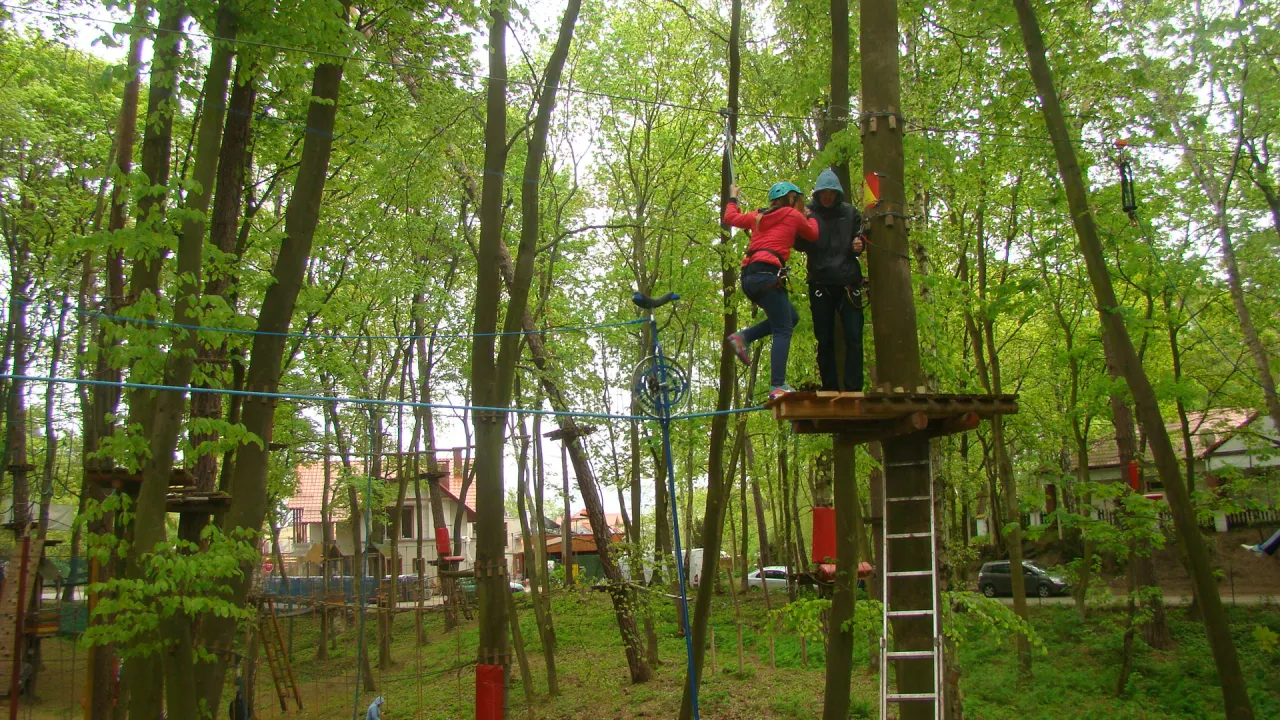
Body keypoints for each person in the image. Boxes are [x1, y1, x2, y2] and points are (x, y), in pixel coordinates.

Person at [724, 181, 819, 400]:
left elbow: (730, 218)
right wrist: (811, 216)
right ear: (791, 199)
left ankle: (744, 337)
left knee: (791, 318)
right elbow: (813, 234)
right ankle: (777, 386)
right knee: (783, 329)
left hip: (749, 278)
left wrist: (733, 197)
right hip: (767, 276)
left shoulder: (758, 216)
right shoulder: (793, 215)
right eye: (798, 200)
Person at [793, 168, 866, 391]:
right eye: (823, 193)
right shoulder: (809, 213)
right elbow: (798, 244)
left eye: (831, 193)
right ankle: (830, 388)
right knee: (824, 339)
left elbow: (860, 238)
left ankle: (854, 389)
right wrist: (801, 220)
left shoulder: (850, 213)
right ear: (818, 194)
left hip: (848, 282)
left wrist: (859, 244)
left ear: (837, 193)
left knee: (854, 336)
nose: (827, 197)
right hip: (820, 283)